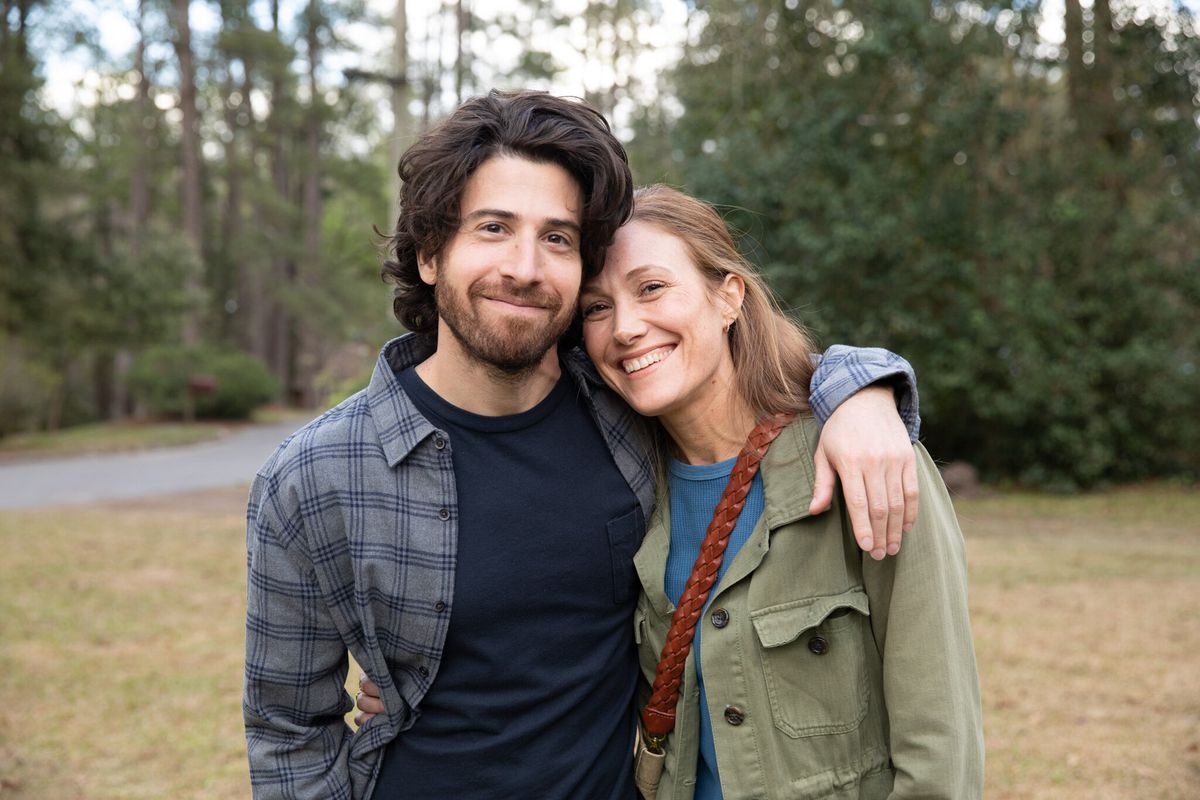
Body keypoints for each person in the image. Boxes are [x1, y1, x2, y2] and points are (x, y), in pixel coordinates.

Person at [245, 90, 922, 800]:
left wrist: (861, 389)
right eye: (494, 228)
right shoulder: (314, 477)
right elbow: (289, 731)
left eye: (558, 238)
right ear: (428, 256)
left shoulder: (627, 412)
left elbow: (737, 371)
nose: (526, 267)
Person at [580, 185, 984, 798]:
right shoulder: (622, 491)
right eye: (596, 307)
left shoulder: (865, 458)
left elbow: (940, 743)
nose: (627, 328)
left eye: (652, 287)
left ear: (728, 297)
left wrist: (865, 391)